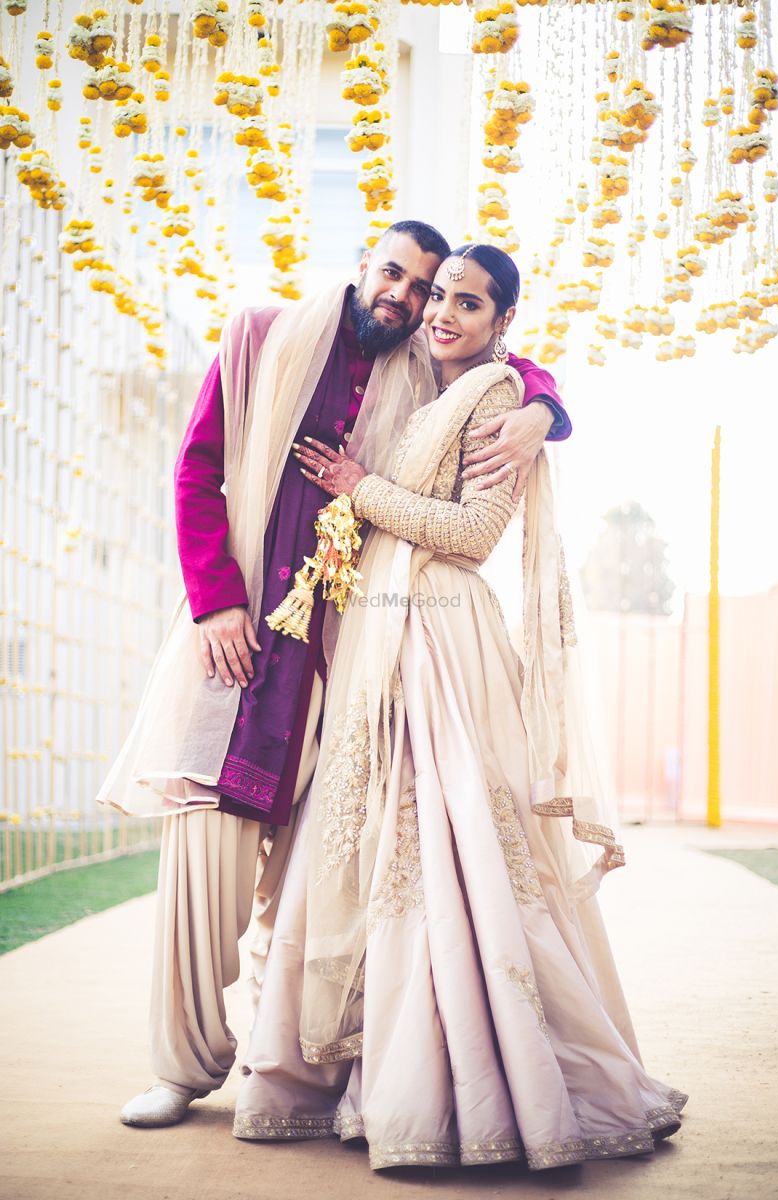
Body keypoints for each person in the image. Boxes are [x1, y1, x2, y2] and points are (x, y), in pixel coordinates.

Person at [98, 220, 572, 1128]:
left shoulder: (417, 370)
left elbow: (503, 367)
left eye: (426, 287)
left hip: (349, 657)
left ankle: (295, 1064)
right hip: (236, 642)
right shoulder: (261, 334)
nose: (406, 296)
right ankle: (182, 1066)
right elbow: (197, 471)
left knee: (322, 870)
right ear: (364, 264)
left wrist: (544, 405)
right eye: (394, 274)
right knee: (206, 851)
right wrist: (215, 603)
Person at [232, 244, 688, 1170]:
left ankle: (477, 1082)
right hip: (386, 638)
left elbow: (476, 536)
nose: (441, 313)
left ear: (500, 323)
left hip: (443, 637)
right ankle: (361, 1070)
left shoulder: (494, 397)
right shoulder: (424, 381)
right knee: (375, 840)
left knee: (448, 844)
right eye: (438, 294)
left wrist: (364, 490)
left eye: (467, 304)